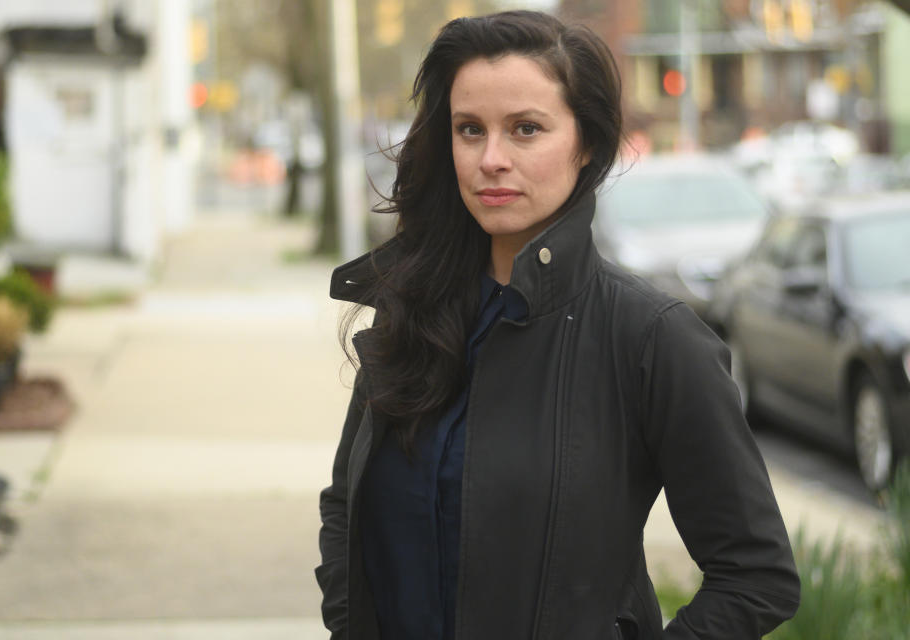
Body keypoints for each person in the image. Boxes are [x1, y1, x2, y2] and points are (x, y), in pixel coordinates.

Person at [316, 10, 799, 640]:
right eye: (469, 129)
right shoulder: (414, 311)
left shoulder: (652, 338)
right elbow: (346, 505)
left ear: (587, 142)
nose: (491, 159)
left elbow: (757, 576)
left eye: (525, 129)